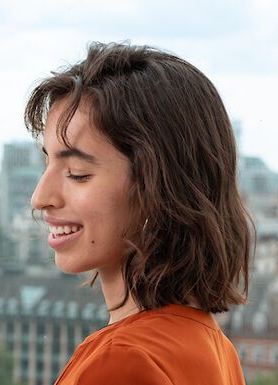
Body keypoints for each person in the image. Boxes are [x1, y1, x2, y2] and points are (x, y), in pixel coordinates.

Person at [26, 42, 250, 384]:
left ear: (158, 189)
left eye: (77, 173)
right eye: (47, 163)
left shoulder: (121, 362)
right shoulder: (213, 346)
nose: (40, 197)